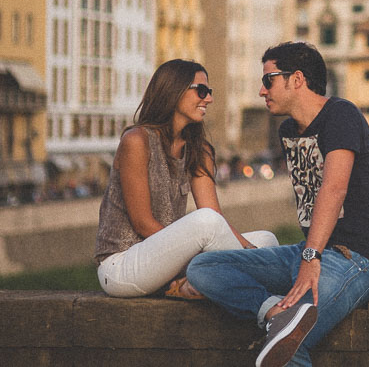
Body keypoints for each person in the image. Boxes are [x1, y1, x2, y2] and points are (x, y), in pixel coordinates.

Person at [187, 42, 369, 367]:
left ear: (296, 79)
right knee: (203, 267)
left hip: (359, 260)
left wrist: (312, 258)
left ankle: (285, 326)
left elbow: (334, 188)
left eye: (268, 80)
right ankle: (274, 313)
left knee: (288, 344)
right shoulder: (288, 130)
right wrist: (307, 257)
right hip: (309, 253)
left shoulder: (341, 114)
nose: (261, 90)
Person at [94, 59, 278, 298]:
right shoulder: (137, 141)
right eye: (201, 91)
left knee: (266, 240)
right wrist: (193, 255)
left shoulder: (199, 150)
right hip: (123, 265)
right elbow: (142, 222)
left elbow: (216, 217)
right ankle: (261, 298)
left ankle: (195, 283)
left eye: (209, 92)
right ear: (174, 90)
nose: (209, 99)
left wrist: (252, 251)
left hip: (169, 258)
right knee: (206, 223)